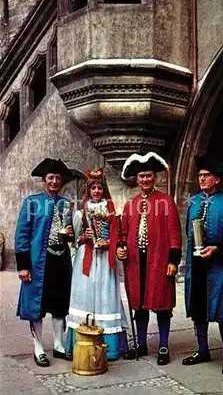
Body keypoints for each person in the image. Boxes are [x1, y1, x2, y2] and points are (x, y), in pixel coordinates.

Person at [117, 152, 182, 365]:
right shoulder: (131, 204)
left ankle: (163, 345)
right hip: (136, 263)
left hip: (160, 261)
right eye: (141, 176)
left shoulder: (166, 201)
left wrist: (173, 260)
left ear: (155, 177)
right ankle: (141, 344)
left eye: (149, 175)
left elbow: (174, 234)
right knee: (140, 304)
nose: (145, 180)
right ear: (136, 179)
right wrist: (121, 248)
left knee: (163, 305)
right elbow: (123, 233)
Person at [183, 154, 223, 375]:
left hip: (221, 265)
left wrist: (217, 249)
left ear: (217, 179)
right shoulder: (194, 202)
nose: (202, 179)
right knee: (199, 310)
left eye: (206, 176)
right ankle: (202, 349)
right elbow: (189, 233)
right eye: (200, 176)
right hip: (197, 264)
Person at [15, 158, 74, 367]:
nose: (54, 181)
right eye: (51, 177)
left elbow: (70, 235)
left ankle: (59, 344)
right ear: (44, 180)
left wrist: (70, 234)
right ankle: (38, 347)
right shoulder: (32, 202)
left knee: (59, 305)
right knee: (36, 307)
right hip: (38, 262)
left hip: (61, 261)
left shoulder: (66, 204)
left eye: (58, 178)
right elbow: (22, 234)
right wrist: (23, 266)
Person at [65, 167, 128, 360]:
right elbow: (74, 240)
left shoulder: (111, 210)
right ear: (88, 190)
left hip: (105, 257)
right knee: (84, 296)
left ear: (103, 190)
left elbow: (118, 234)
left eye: (100, 188)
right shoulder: (80, 213)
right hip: (87, 258)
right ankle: (81, 340)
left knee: (106, 295)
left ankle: (110, 346)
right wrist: (84, 236)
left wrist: (111, 242)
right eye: (93, 188)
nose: (97, 192)